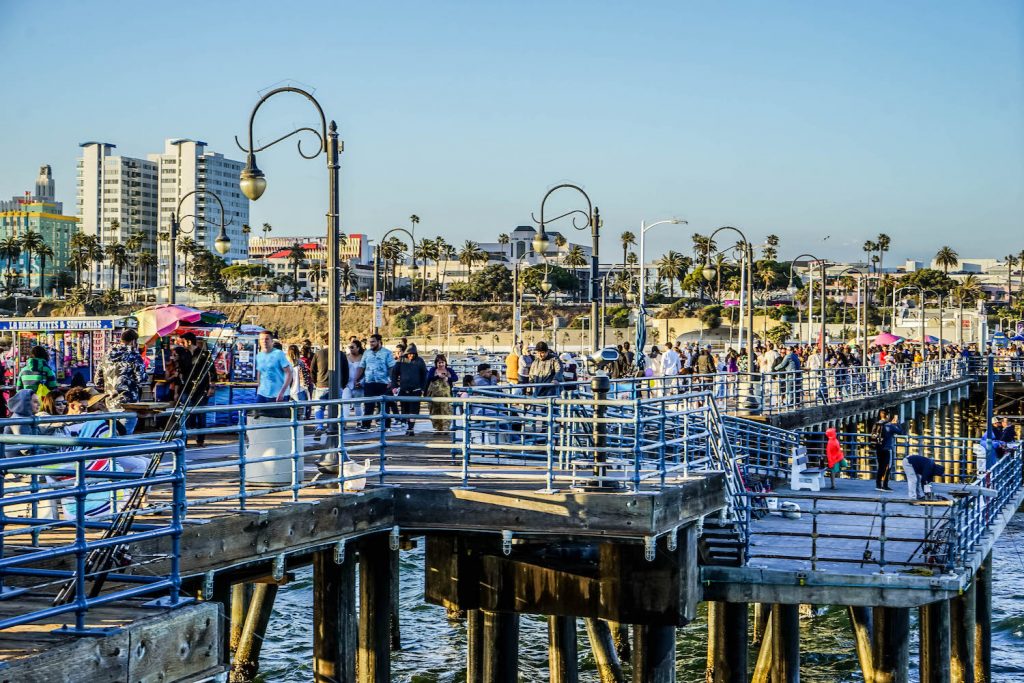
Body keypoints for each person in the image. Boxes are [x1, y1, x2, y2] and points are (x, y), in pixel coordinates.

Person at [95, 328, 147, 434]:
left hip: (109, 404)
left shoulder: (106, 356)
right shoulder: (134, 356)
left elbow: (97, 381)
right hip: (128, 405)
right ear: (133, 341)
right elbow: (141, 379)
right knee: (124, 438)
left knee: (111, 437)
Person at [181, 332, 216, 447]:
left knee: (201, 415)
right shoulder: (183, 354)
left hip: (201, 388)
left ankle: (200, 440)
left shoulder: (204, 354)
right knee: (186, 415)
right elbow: (180, 371)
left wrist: (211, 386)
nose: (182, 344)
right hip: (187, 389)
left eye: (184, 341)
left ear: (189, 341)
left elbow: (212, 371)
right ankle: (184, 440)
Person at [360, 334, 396, 430]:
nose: (371, 344)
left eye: (373, 341)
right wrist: (357, 379)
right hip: (369, 382)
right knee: (368, 405)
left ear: (379, 341)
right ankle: (366, 425)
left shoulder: (387, 353)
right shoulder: (367, 353)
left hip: (383, 383)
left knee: (384, 406)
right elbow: (362, 366)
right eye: (370, 342)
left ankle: (387, 425)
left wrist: (391, 381)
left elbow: (391, 367)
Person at [391, 343, 427, 433]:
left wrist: (423, 388)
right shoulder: (401, 360)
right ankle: (407, 424)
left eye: (413, 354)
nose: (411, 355)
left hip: (416, 390)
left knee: (413, 410)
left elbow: (424, 375)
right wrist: (394, 385)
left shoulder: (420, 361)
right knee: (405, 409)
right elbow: (394, 373)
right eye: (409, 354)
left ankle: (411, 428)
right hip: (404, 389)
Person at [255, 330, 293, 413]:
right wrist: (259, 388)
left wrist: (282, 392)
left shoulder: (279, 354)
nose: (264, 341)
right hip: (262, 394)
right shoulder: (259, 355)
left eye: (267, 339)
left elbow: (288, 373)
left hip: (278, 394)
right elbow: (259, 372)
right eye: (261, 339)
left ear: (271, 341)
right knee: (258, 417)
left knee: (277, 421)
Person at [872, 410, 903, 491]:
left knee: (881, 466)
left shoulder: (877, 424)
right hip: (887, 449)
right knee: (888, 467)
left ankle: (878, 485)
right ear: (887, 416)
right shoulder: (890, 426)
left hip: (878, 448)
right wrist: (897, 423)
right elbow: (901, 432)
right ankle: (885, 485)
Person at [425, 355, 458, 431]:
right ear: (436, 363)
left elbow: (455, 378)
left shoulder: (449, 370)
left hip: (447, 396)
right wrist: (437, 376)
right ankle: (438, 429)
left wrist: (448, 378)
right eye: (439, 363)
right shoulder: (433, 370)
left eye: (442, 362)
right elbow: (429, 378)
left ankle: (446, 428)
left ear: (445, 363)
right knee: (434, 412)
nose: (441, 364)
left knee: (447, 411)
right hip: (434, 395)